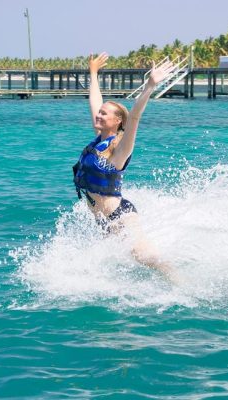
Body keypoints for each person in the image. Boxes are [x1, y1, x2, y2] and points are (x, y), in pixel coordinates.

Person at [72, 52, 176, 279]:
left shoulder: (120, 149)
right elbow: (95, 101)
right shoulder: (99, 141)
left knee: (148, 259)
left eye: (104, 114)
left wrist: (149, 86)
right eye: (99, 113)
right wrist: (93, 72)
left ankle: (184, 284)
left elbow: (135, 116)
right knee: (111, 266)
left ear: (118, 120)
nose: (98, 115)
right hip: (102, 221)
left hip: (120, 217)